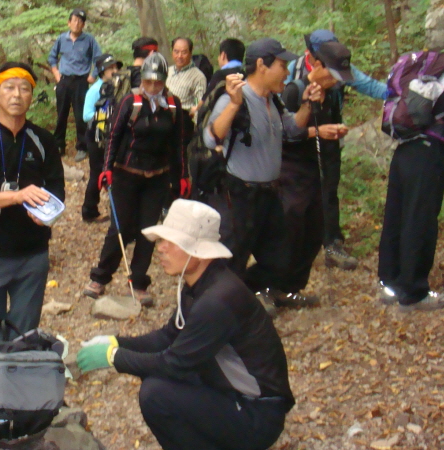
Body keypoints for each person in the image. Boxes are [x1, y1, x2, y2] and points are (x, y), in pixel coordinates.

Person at [77, 199, 295, 450]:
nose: (161, 248)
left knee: (156, 395)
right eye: (162, 240)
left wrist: (113, 357)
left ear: (199, 252)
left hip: (255, 413)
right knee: (156, 386)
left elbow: (174, 365)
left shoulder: (217, 300)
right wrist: (116, 342)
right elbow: (168, 337)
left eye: (173, 242)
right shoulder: (197, 285)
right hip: (228, 393)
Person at [203, 38, 321, 314]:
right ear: (261, 65)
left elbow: (291, 131)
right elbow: (211, 139)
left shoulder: (273, 101)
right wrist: (233, 105)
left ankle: (254, 295)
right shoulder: (235, 99)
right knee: (234, 255)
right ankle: (219, 309)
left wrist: (308, 105)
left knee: (279, 253)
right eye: (282, 65)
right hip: (238, 193)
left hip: (270, 192)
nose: (287, 72)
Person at [0, 62, 65, 341]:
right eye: (9, 88)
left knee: (25, 331)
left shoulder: (43, 140)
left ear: (32, 96)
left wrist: (47, 213)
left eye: (24, 88)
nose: (17, 95)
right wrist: (17, 196)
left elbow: (56, 189)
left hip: (32, 251)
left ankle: (20, 376)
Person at [83, 53, 189, 308]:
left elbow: (178, 145)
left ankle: (139, 282)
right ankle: (100, 278)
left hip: (157, 177)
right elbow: (114, 136)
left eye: (158, 82)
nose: (153, 87)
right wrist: (105, 169)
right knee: (120, 227)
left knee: (148, 231)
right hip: (125, 174)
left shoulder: (173, 106)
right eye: (149, 81)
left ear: (164, 81)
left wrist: (182, 175)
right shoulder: (130, 101)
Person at [378, 61, 444, 311]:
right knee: (420, 220)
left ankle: (391, 283)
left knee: (397, 215)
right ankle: (413, 293)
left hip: (405, 149)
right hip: (427, 153)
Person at [287, 30, 387, 269]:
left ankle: (332, 243)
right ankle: (296, 247)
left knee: (328, 192)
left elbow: (371, 86)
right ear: (313, 56)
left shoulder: (340, 67)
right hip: (299, 141)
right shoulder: (292, 70)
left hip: (330, 140)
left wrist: (402, 93)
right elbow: (282, 108)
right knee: (297, 195)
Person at [278, 41, 351, 306]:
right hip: (291, 173)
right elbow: (281, 135)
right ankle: (270, 287)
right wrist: (318, 131)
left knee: (313, 231)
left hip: (314, 169)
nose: (335, 81)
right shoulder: (292, 90)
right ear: (316, 65)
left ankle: (291, 287)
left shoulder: (329, 92)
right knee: (292, 233)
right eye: (331, 74)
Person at [48, 8, 102, 162]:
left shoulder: (89, 40)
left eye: (80, 21)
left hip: (81, 81)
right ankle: (59, 145)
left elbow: (98, 59)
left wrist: (93, 76)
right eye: (74, 20)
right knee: (61, 114)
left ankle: (82, 147)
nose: (77, 24)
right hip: (64, 80)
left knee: (80, 116)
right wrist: (56, 74)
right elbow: (52, 57)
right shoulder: (61, 39)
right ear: (69, 22)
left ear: (83, 24)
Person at [81, 53, 122, 222]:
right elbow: (86, 115)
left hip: (109, 135)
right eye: (110, 68)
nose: (114, 70)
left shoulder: (116, 87)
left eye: (115, 67)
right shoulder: (95, 90)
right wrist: (106, 117)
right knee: (97, 172)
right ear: (101, 71)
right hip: (95, 136)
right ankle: (89, 211)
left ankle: (113, 211)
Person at [166, 37, 207, 141]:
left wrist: (195, 110)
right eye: (176, 52)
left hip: (182, 123)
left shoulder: (198, 76)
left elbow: (198, 100)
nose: (179, 56)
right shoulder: (167, 71)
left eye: (184, 52)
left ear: (190, 52)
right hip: (164, 120)